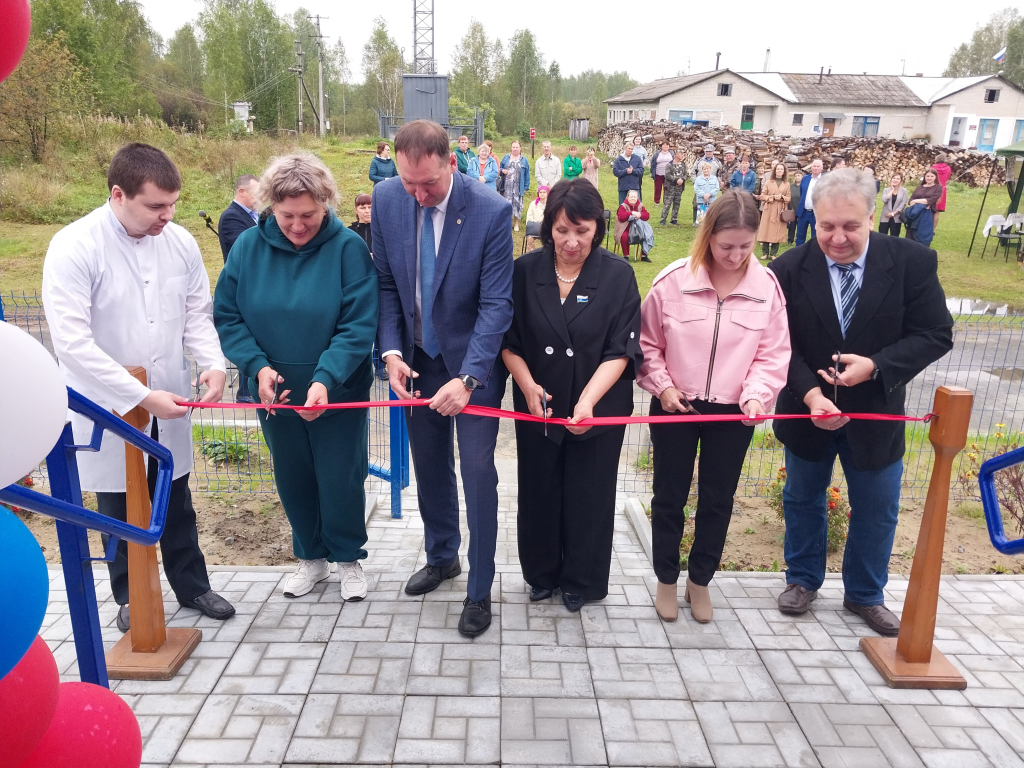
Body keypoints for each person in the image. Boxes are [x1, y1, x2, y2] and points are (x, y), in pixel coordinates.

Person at [42, 143, 234, 633]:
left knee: (176, 497)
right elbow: (72, 343)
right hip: (107, 405)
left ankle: (192, 585)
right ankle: (131, 595)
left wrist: (213, 363)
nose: (167, 215)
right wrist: (140, 398)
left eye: (172, 204)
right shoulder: (75, 246)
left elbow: (196, 314)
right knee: (120, 504)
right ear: (118, 195)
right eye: (155, 206)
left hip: (167, 395)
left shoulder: (180, 243)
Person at [767, 169, 954, 636]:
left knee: (877, 507)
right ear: (814, 217)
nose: (837, 238)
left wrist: (875, 365)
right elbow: (777, 344)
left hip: (876, 414)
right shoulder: (788, 268)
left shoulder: (912, 262)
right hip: (807, 412)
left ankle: (866, 594)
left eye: (851, 226)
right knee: (802, 498)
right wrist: (811, 394)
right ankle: (802, 580)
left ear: (873, 216)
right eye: (827, 226)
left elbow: (936, 333)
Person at [215, 154, 378, 601]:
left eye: (308, 214)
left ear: (326, 204)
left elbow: (357, 325)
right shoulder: (247, 248)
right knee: (293, 476)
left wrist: (326, 379)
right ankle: (311, 558)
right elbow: (228, 316)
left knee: (340, 476)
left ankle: (348, 558)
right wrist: (257, 367)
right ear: (270, 206)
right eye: (287, 215)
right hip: (276, 392)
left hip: (338, 391)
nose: (298, 225)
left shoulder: (347, 248)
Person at [373, 119, 514, 637]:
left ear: (452, 162)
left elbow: (497, 305)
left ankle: (480, 587)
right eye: (409, 183)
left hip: (472, 366)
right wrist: (391, 352)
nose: (418, 194)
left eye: (428, 184)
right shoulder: (387, 198)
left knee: (477, 473)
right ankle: (442, 557)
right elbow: (387, 285)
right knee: (429, 466)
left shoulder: (490, 210)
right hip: (416, 362)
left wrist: (470, 378)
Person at [639, 191, 790, 623]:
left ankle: (700, 581)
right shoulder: (672, 280)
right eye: (726, 246)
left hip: (734, 411)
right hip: (676, 406)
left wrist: (757, 394)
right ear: (708, 237)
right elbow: (647, 343)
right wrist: (663, 387)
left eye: (745, 246)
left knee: (718, 499)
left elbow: (772, 354)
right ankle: (666, 579)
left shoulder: (767, 290)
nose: (735, 256)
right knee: (669, 496)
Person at [503, 179, 642, 611]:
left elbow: (621, 351)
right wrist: (527, 385)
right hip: (539, 406)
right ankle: (541, 574)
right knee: (539, 491)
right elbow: (509, 342)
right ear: (549, 227)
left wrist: (588, 402)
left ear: (598, 228)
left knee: (589, 495)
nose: (571, 241)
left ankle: (581, 578)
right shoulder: (525, 272)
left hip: (597, 409)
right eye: (562, 230)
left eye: (582, 231)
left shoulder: (618, 276)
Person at [218, 173, 260, 262]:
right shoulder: (230, 217)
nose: (259, 197)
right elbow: (247, 248)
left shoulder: (258, 213)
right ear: (241, 192)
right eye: (256, 193)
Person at [756, 161, 791, 259]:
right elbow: (762, 196)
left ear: (784, 171)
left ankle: (773, 254)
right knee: (766, 229)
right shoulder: (768, 182)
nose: (779, 170)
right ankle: (765, 253)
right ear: (775, 171)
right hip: (769, 209)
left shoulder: (787, 184)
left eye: (781, 169)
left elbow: (788, 198)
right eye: (778, 169)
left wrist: (782, 197)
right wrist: (772, 197)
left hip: (780, 210)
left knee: (777, 230)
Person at [903, 170, 941, 248]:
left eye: (932, 176)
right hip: (915, 214)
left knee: (923, 236)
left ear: (935, 177)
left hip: (926, 215)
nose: (929, 178)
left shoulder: (938, 187)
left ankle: (922, 253)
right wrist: (922, 202)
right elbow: (911, 200)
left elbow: (931, 200)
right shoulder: (920, 187)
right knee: (910, 236)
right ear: (924, 177)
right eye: (927, 176)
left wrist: (916, 201)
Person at [500, 140, 531, 232]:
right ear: (511, 148)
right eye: (513, 147)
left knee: (517, 205)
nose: (515, 149)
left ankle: (516, 224)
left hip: (518, 187)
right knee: (506, 204)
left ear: (520, 148)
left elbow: (527, 175)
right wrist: (502, 170)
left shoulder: (524, 160)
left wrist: (525, 187)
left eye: (517, 147)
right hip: (506, 187)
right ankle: (507, 223)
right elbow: (499, 168)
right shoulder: (506, 157)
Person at [795, 159, 824, 245]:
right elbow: (802, 193)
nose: (816, 168)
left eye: (818, 166)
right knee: (800, 235)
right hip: (803, 212)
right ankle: (799, 251)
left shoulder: (824, 180)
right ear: (811, 167)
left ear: (822, 168)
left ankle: (814, 251)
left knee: (815, 236)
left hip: (816, 213)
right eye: (814, 166)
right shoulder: (805, 179)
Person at [617, 189, 651, 262]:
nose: (633, 198)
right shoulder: (623, 206)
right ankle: (626, 256)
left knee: (646, 235)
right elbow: (621, 217)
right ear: (627, 197)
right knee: (624, 236)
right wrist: (631, 213)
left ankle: (644, 256)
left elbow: (647, 216)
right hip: (626, 228)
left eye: (634, 197)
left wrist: (640, 215)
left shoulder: (640, 206)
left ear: (637, 198)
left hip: (638, 228)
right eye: (631, 197)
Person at [691, 144, 721, 224]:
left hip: (711, 186)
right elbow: (693, 172)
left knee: (711, 206)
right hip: (701, 186)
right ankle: (696, 221)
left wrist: (718, 183)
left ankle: (710, 222)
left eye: (710, 151)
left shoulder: (717, 162)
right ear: (704, 151)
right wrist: (696, 182)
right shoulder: (699, 160)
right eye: (707, 151)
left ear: (713, 152)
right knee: (696, 204)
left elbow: (720, 173)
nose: (708, 153)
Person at [613, 141, 644, 206]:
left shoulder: (637, 158)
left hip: (634, 186)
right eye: (629, 148)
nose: (630, 150)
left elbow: (641, 170)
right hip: (623, 187)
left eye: (632, 149)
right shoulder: (619, 159)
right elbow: (615, 172)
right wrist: (625, 171)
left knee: (636, 206)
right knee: (623, 206)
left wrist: (633, 171)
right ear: (625, 148)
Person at [661, 154, 687, 226]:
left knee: (677, 204)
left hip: (679, 188)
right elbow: (667, 175)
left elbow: (686, 174)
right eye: (681, 153)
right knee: (667, 204)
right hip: (670, 187)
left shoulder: (683, 165)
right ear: (676, 154)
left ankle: (674, 219)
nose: (682, 155)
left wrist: (682, 179)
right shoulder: (669, 165)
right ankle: (663, 219)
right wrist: (676, 180)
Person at [525, 185, 549, 250]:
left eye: (544, 192)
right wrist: (536, 224)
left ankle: (546, 253)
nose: (542, 194)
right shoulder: (533, 204)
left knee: (550, 240)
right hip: (534, 228)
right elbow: (529, 217)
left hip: (546, 229)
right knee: (529, 238)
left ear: (547, 193)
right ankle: (532, 253)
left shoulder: (550, 205)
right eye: (540, 192)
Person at [931, 154, 952, 230]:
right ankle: (933, 229)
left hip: (932, 188)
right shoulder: (948, 168)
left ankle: (927, 227)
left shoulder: (932, 168)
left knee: (930, 209)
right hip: (942, 189)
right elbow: (947, 177)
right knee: (937, 211)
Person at [651, 141, 674, 206]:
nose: (665, 146)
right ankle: (657, 202)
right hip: (658, 173)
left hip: (668, 174)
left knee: (667, 188)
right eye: (664, 145)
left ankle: (665, 202)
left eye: (667, 145)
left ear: (669, 146)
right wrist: (652, 172)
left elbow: (674, 163)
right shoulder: (657, 154)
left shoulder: (671, 153)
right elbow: (653, 163)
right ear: (661, 146)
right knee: (658, 188)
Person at [631, 136, 648, 200]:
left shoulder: (643, 149)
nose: (638, 140)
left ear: (641, 141)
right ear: (634, 140)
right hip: (632, 168)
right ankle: (630, 198)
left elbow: (646, 158)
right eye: (636, 139)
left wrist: (645, 162)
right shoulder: (631, 148)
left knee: (638, 184)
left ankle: (639, 199)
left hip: (639, 169)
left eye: (639, 139)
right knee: (631, 184)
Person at [788, 170, 802, 244]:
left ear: (802, 177)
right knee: (792, 226)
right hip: (792, 209)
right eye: (796, 176)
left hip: (801, 209)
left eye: (798, 176)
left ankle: (798, 239)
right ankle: (790, 240)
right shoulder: (791, 186)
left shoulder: (803, 186)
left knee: (800, 226)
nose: (797, 177)